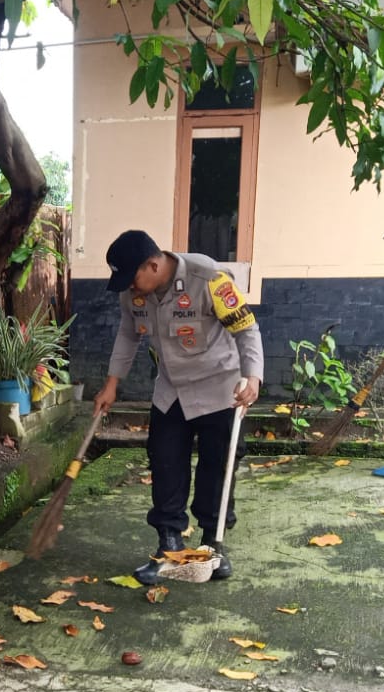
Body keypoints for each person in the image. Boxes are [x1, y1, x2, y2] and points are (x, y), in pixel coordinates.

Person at [92, 230, 263, 584]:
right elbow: (128, 333)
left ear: (153, 265)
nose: (130, 287)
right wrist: (111, 384)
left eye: (132, 278)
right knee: (165, 462)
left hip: (220, 389)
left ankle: (211, 545)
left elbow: (246, 330)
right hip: (171, 391)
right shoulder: (133, 292)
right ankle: (169, 545)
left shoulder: (209, 278)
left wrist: (253, 377)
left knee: (217, 467)